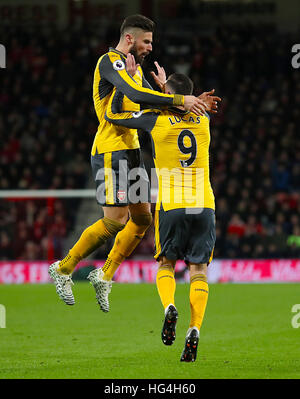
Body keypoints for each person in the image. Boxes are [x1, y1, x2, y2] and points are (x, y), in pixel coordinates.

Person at [48, 15, 209, 310]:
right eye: (147, 41)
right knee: (114, 220)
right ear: (131, 38)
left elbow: (150, 101)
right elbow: (135, 95)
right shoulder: (110, 61)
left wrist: (167, 92)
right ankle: (62, 269)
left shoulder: (134, 69)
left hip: (131, 150)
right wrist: (181, 100)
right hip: (111, 150)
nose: (150, 47)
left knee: (143, 219)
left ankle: (104, 275)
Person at [104, 72, 220, 362]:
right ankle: (195, 328)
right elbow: (180, 105)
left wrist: (128, 79)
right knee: (199, 271)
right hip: (203, 203)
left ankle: (169, 306)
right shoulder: (204, 119)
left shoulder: (155, 119)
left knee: (166, 263)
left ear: (170, 95)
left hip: (172, 203)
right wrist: (176, 95)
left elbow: (114, 114)